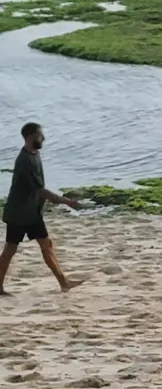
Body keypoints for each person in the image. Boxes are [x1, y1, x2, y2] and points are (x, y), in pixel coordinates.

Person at [1, 122, 83, 296]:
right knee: (10, 250)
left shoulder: (35, 153)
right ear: (29, 137)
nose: (43, 137)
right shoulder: (25, 160)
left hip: (32, 213)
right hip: (19, 213)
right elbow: (40, 190)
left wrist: (45, 201)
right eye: (39, 135)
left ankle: (64, 282)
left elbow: (39, 189)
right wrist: (67, 201)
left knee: (47, 246)